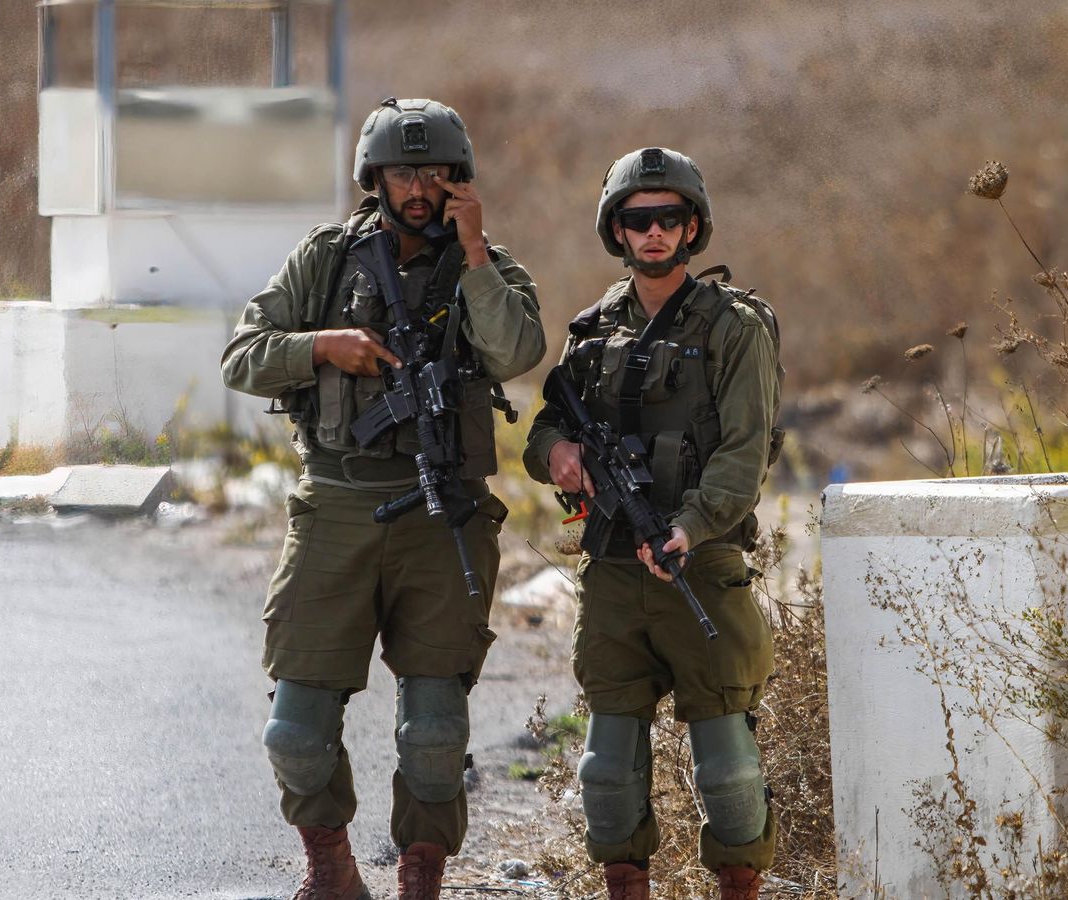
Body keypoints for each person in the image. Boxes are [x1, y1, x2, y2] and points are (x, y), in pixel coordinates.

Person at [221, 97, 546, 900]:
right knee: (295, 728)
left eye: (436, 172)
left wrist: (473, 254)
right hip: (335, 506)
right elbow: (242, 357)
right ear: (374, 178)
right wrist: (320, 345)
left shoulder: (490, 268)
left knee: (434, 731)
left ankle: (420, 876)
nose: (419, 187)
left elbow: (517, 350)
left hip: (447, 517)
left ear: (458, 180)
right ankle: (329, 870)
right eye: (403, 171)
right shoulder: (325, 261)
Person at [523, 147, 782, 900]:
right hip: (611, 568)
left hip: (700, 566)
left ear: (693, 226)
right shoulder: (593, 329)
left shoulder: (734, 326)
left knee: (728, 766)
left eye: (669, 218)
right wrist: (559, 454)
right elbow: (543, 430)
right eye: (639, 220)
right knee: (607, 768)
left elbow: (745, 451)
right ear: (618, 231)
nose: (655, 232)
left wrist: (692, 526)